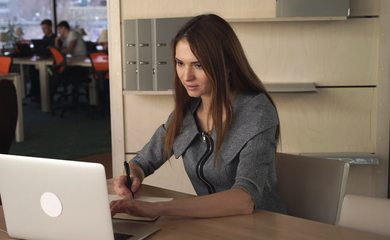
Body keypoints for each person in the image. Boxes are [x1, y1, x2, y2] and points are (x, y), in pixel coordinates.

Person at [111, 14, 287, 219]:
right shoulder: (188, 111)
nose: (186, 76)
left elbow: (245, 198)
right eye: (180, 63)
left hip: (260, 230)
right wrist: (132, 175)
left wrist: (159, 209)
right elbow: (143, 161)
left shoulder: (257, 112)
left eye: (198, 65)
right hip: (211, 229)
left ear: (228, 65)